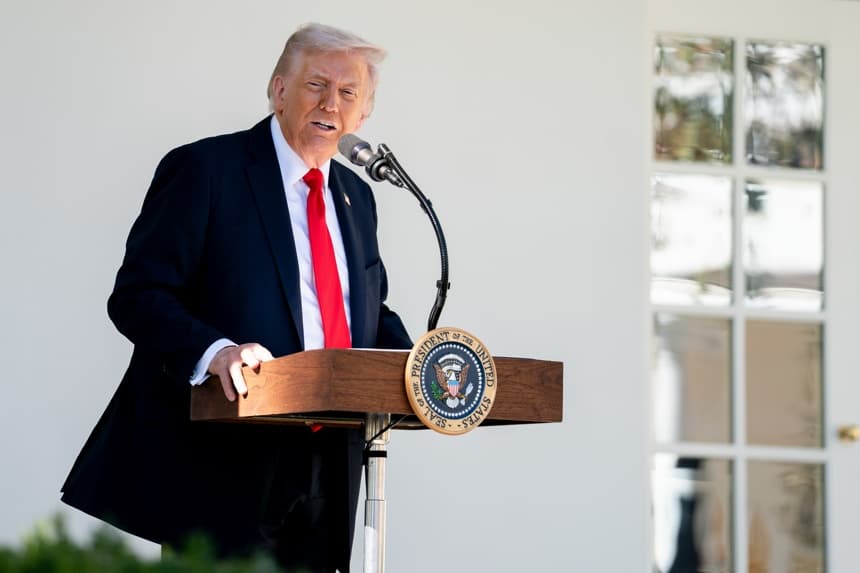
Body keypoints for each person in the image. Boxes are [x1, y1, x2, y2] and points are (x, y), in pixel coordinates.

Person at [61, 23, 411, 572]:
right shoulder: (207, 171)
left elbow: (367, 313)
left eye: (348, 94)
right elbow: (138, 294)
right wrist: (215, 351)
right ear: (277, 90)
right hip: (227, 451)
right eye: (316, 84)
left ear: (363, 116)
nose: (330, 104)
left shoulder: (356, 197)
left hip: (335, 455)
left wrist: (423, 365)